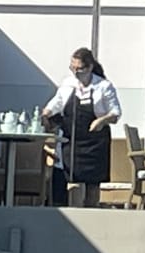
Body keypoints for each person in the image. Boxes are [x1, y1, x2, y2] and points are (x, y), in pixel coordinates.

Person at [43, 47, 120, 206]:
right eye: (72, 68)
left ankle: (92, 212)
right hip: (72, 140)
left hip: (95, 142)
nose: (75, 72)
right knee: (72, 179)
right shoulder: (68, 84)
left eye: (79, 69)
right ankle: (75, 212)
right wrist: (46, 113)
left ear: (90, 67)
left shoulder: (103, 86)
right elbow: (56, 102)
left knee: (93, 184)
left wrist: (101, 121)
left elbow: (115, 113)